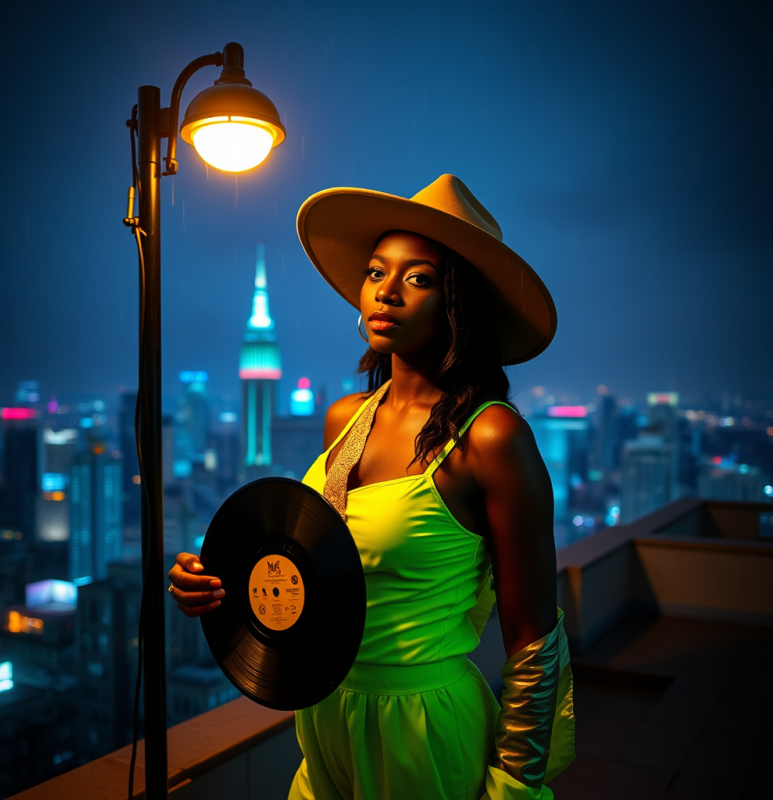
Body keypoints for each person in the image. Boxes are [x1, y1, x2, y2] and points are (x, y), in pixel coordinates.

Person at [168, 175, 575, 799]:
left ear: (457, 301)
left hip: (423, 727)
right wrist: (220, 583)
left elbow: (533, 639)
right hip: (323, 716)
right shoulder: (344, 419)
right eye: (377, 271)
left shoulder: (490, 438)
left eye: (418, 278)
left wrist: (515, 787)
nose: (386, 291)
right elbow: (319, 568)